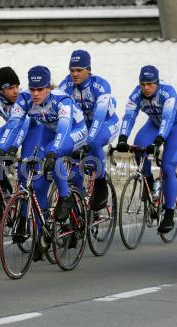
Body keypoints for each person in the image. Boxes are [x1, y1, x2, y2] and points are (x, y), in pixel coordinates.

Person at [0, 66, 87, 258]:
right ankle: (42, 235)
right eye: (32, 89)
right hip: (49, 131)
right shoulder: (24, 100)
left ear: (48, 88)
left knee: (52, 153)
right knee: (37, 185)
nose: (36, 94)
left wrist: (54, 152)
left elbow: (63, 130)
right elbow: (13, 125)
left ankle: (65, 197)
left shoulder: (61, 100)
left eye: (40, 89)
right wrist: (3, 149)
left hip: (74, 130)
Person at [116, 65, 177, 233]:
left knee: (168, 168)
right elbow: (129, 116)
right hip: (154, 124)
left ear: (157, 83)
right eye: (143, 84)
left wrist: (158, 142)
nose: (146, 88)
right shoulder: (137, 94)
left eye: (150, 84)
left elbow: (168, 119)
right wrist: (122, 138)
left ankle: (169, 213)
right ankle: (148, 181)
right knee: (139, 146)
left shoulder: (167, 93)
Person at [59, 50, 120, 210]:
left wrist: (86, 140)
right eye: (72, 70)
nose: (75, 74)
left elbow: (99, 118)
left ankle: (100, 183)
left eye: (79, 70)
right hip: (84, 126)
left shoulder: (100, 85)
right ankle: (78, 208)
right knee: (74, 163)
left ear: (89, 70)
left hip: (106, 123)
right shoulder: (65, 86)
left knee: (93, 141)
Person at [0, 67, 43, 196]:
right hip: (12, 128)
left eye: (17, 86)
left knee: (25, 169)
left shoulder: (24, 97)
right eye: (11, 88)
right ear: (1, 90)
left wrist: (13, 148)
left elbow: (25, 123)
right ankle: (5, 195)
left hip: (33, 129)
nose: (16, 91)